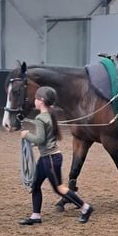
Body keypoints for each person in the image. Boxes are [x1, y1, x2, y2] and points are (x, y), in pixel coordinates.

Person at [17, 86, 93, 225]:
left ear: (41, 101)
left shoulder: (41, 118)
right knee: (35, 184)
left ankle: (85, 208)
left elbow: (40, 139)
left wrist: (26, 135)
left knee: (59, 188)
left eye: (36, 98)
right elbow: (45, 139)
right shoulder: (49, 116)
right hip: (48, 157)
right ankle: (35, 215)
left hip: (50, 158)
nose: (34, 101)